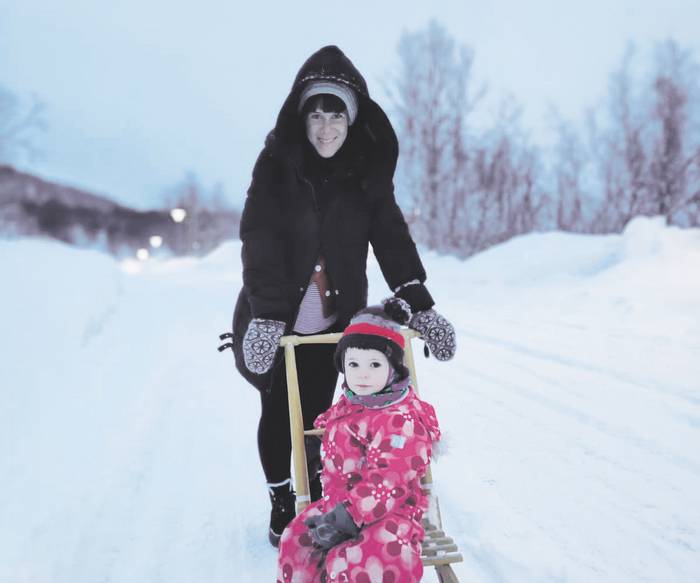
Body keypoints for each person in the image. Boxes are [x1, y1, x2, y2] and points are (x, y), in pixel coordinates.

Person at [219, 45, 456, 547]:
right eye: (316, 115)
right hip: (275, 317)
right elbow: (257, 235)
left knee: (325, 415)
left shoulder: (366, 175)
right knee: (279, 411)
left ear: (352, 120)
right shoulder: (276, 166)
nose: (326, 127)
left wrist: (420, 302)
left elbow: (392, 238)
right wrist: (264, 315)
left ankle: (323, 495)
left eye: (336, 116)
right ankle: (283, 499)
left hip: (334, 319)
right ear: (301, 119)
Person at [276, 299, 441, 582]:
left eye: (375, 364)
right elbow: (338, 424)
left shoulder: (401, 420)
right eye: (353, 363)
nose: (362, 373)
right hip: (340, 505)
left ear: (394, 369)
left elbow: (390, 481)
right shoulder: (353, 402)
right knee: (296, 540)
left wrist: (347, 517)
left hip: (392, 511)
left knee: (368, 559)